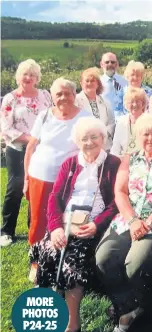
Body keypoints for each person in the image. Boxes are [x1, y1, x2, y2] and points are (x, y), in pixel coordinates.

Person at [31, 117, 120, 332]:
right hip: (65, 223)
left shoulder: (113, 163)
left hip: (90, 225)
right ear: (77, 141)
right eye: (84, 138)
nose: (89, 142)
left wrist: (97, 225)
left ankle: (71, 327)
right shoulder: (70, 163)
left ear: (103, 138)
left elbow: (115, 203)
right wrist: (56, 227)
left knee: (71, 264)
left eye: (94, 137)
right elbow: (54, 197)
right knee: (48, 251)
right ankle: (44, 318)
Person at [95, 114, 152, 332]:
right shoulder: (129, 158)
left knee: (134, 266)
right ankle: (131, 307)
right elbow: (120, 192)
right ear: (138, 136)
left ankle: (129, 310)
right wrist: (133, 220)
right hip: (127, 220)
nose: (150, 137)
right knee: (103, 258)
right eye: (145, 133)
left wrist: (147, 224)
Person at [24, 78, 90, 247]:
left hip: (71, 178)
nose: (63, 97)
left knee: (65, 217)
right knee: (38, 218)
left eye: (67, 93)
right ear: (52, 97)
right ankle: (36, 260)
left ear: (74, 95)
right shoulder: (44, 116)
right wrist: (26, 179)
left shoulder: (85, 117)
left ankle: (61, 254)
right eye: (58, 94)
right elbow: (31, 147)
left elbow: (92, 147)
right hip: (41, 176)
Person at [0, 59, 52, 247]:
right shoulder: (10, 99)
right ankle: (7, 230)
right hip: (18, 150)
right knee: (15, 187)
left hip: (41, 151)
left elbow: (52, 117)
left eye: (32, 74)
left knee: (37, 187)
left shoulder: (45, 96)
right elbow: (6, 128)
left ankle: (35, 228)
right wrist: (31, 139)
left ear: (37, 78)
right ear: (18, 76)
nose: (28, 77)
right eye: (25, 74)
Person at [75, 67, 115, 150]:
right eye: (87, 81)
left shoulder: (105, 102)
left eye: (92, 81)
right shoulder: (76, 101)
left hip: (105, 145)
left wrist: (102, 135)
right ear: (81, 83)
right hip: (86, 146)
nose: (89, 83)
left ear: (97, 84)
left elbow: (111, 122)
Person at [110, 88, 148, 158]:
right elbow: (116, 145)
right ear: (126, 105)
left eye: (138, 101)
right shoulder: (121, 121)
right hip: (124, 159)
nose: (134, 104)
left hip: (143, 160)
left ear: (143, 103)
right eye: (131, 102)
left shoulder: (149, 120)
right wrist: (113, 161)